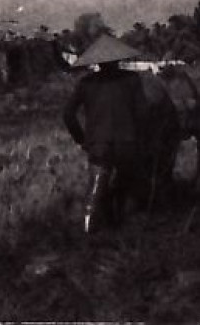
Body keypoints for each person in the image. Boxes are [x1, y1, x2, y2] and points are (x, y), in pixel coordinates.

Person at [63, 34, 150, 234]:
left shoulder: (86, 83)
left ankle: (88, 232)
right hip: (127, 144)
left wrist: (82, 139)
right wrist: (141, 137)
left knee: (95, 187)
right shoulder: (132, 80)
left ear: (97, 62)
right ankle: (117, 221)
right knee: (125, 180)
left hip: (99, 145)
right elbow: (143, 113)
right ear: (119, 59)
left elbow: (68, 114)